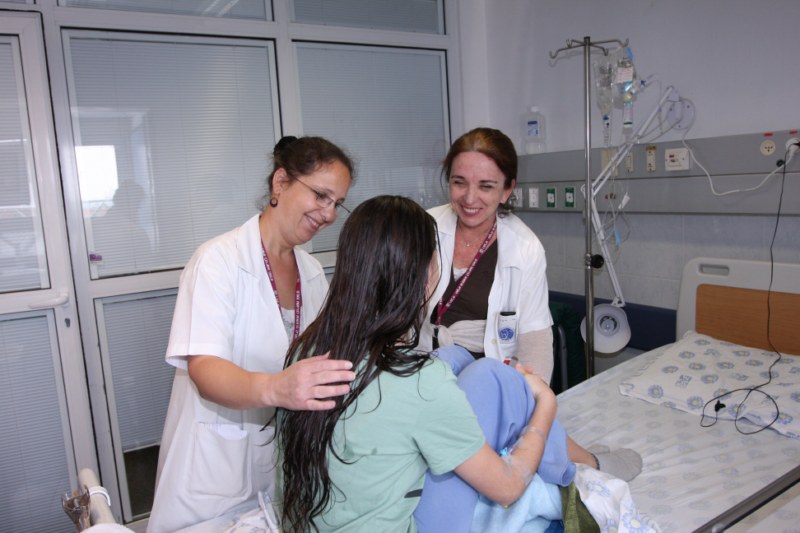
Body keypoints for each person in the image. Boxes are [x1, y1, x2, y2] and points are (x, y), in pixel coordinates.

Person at [277, 195, 606, 533]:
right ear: (423, 276)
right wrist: (546, 406)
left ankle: (577, 457)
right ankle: (582, 464)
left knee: (454, 357)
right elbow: (508, 488)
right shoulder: (419, 384)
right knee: (491, 375)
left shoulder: (307, 351)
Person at [148, 136, 357, 533]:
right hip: (213, 476)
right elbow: (205, 369)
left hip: (279, 467)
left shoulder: (312, 273)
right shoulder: (218, 261)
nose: (329, 213)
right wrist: (277, 389)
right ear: (281, 182)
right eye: (320, 195)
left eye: (337, 203)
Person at [418, 127, 641, 484]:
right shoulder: (422, 228)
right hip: (424, 369)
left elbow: (535, 340)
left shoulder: (524, 247)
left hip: (487, 373)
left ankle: (584, 461)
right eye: (459, 183)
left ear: (508, 189)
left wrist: (533, 403)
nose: (470, 197)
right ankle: (585, 461)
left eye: (486, 186)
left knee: (515, 415)